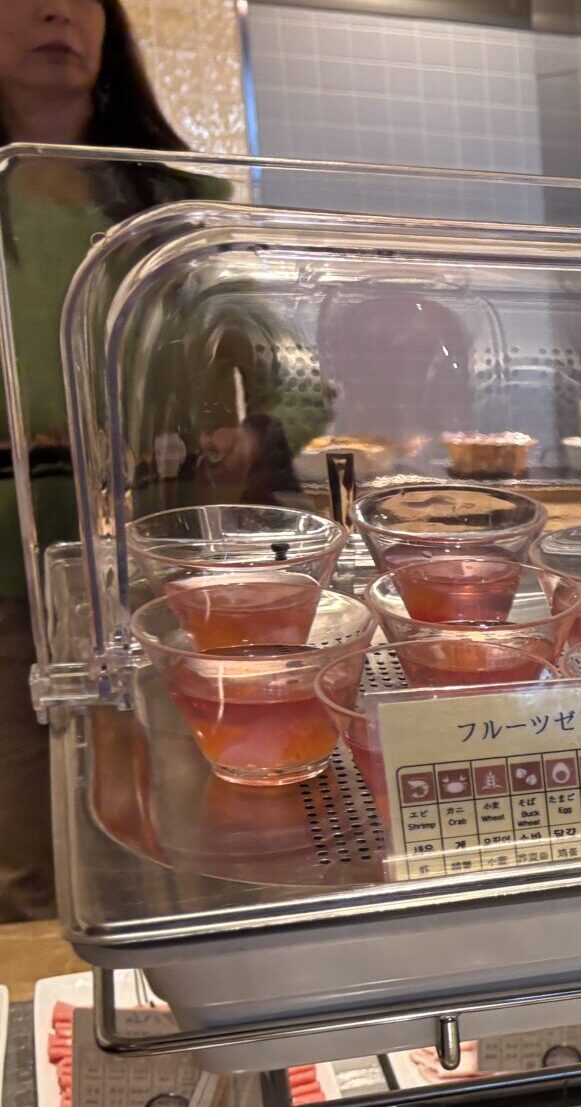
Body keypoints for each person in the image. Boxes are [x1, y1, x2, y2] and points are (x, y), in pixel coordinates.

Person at [0, 0, 324, 920]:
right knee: (19, 856)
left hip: (169, 579)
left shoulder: (178, 205)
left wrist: (256, 436)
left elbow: (301, 381)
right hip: (6, 575)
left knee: (189, 830)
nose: (55, 10)